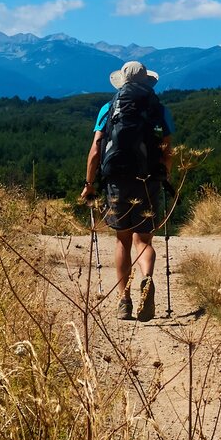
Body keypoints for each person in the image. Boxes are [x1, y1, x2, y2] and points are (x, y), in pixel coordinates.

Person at [79, 60, 173, 321]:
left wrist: (89, 184)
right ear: (147, 82)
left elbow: (96, 150)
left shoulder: (108, 109)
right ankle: (147, 278)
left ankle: (124, 300)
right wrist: (165, 173)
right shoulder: (160, 110)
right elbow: (167, 149)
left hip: (117, 180)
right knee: (143, 239)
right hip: (149, 179)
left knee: (122, 239)